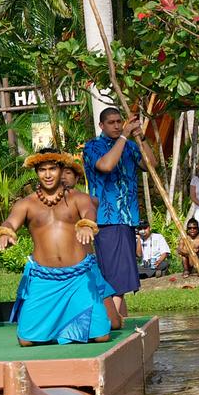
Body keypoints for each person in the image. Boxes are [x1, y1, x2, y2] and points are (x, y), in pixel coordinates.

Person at [0, 149, 119, 345]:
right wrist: (4, 232)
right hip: (44, 278)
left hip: (79, 277)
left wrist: (86, 224)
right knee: (26, 340)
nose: (48, 174)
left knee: (102, 336)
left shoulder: (78, 198)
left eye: (52, 169)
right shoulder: (26, 204)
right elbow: (11, 222)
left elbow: (89, 212)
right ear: (36, 172)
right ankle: (62, 329)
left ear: (61, 170)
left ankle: (67, 329)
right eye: (42, 170)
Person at [83, 107, 157, 317]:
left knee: (121, 272)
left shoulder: (130, 146)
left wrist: (140, 137)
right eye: (112, 122)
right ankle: (112, 321)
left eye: (119, 122)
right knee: (117, 274)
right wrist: (124, 135)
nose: (116, 126)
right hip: (107, 219)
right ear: (101, 125)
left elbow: (151, 164)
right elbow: (105, 166)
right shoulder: (93, 146)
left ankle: (119, 318)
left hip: (126, 218)